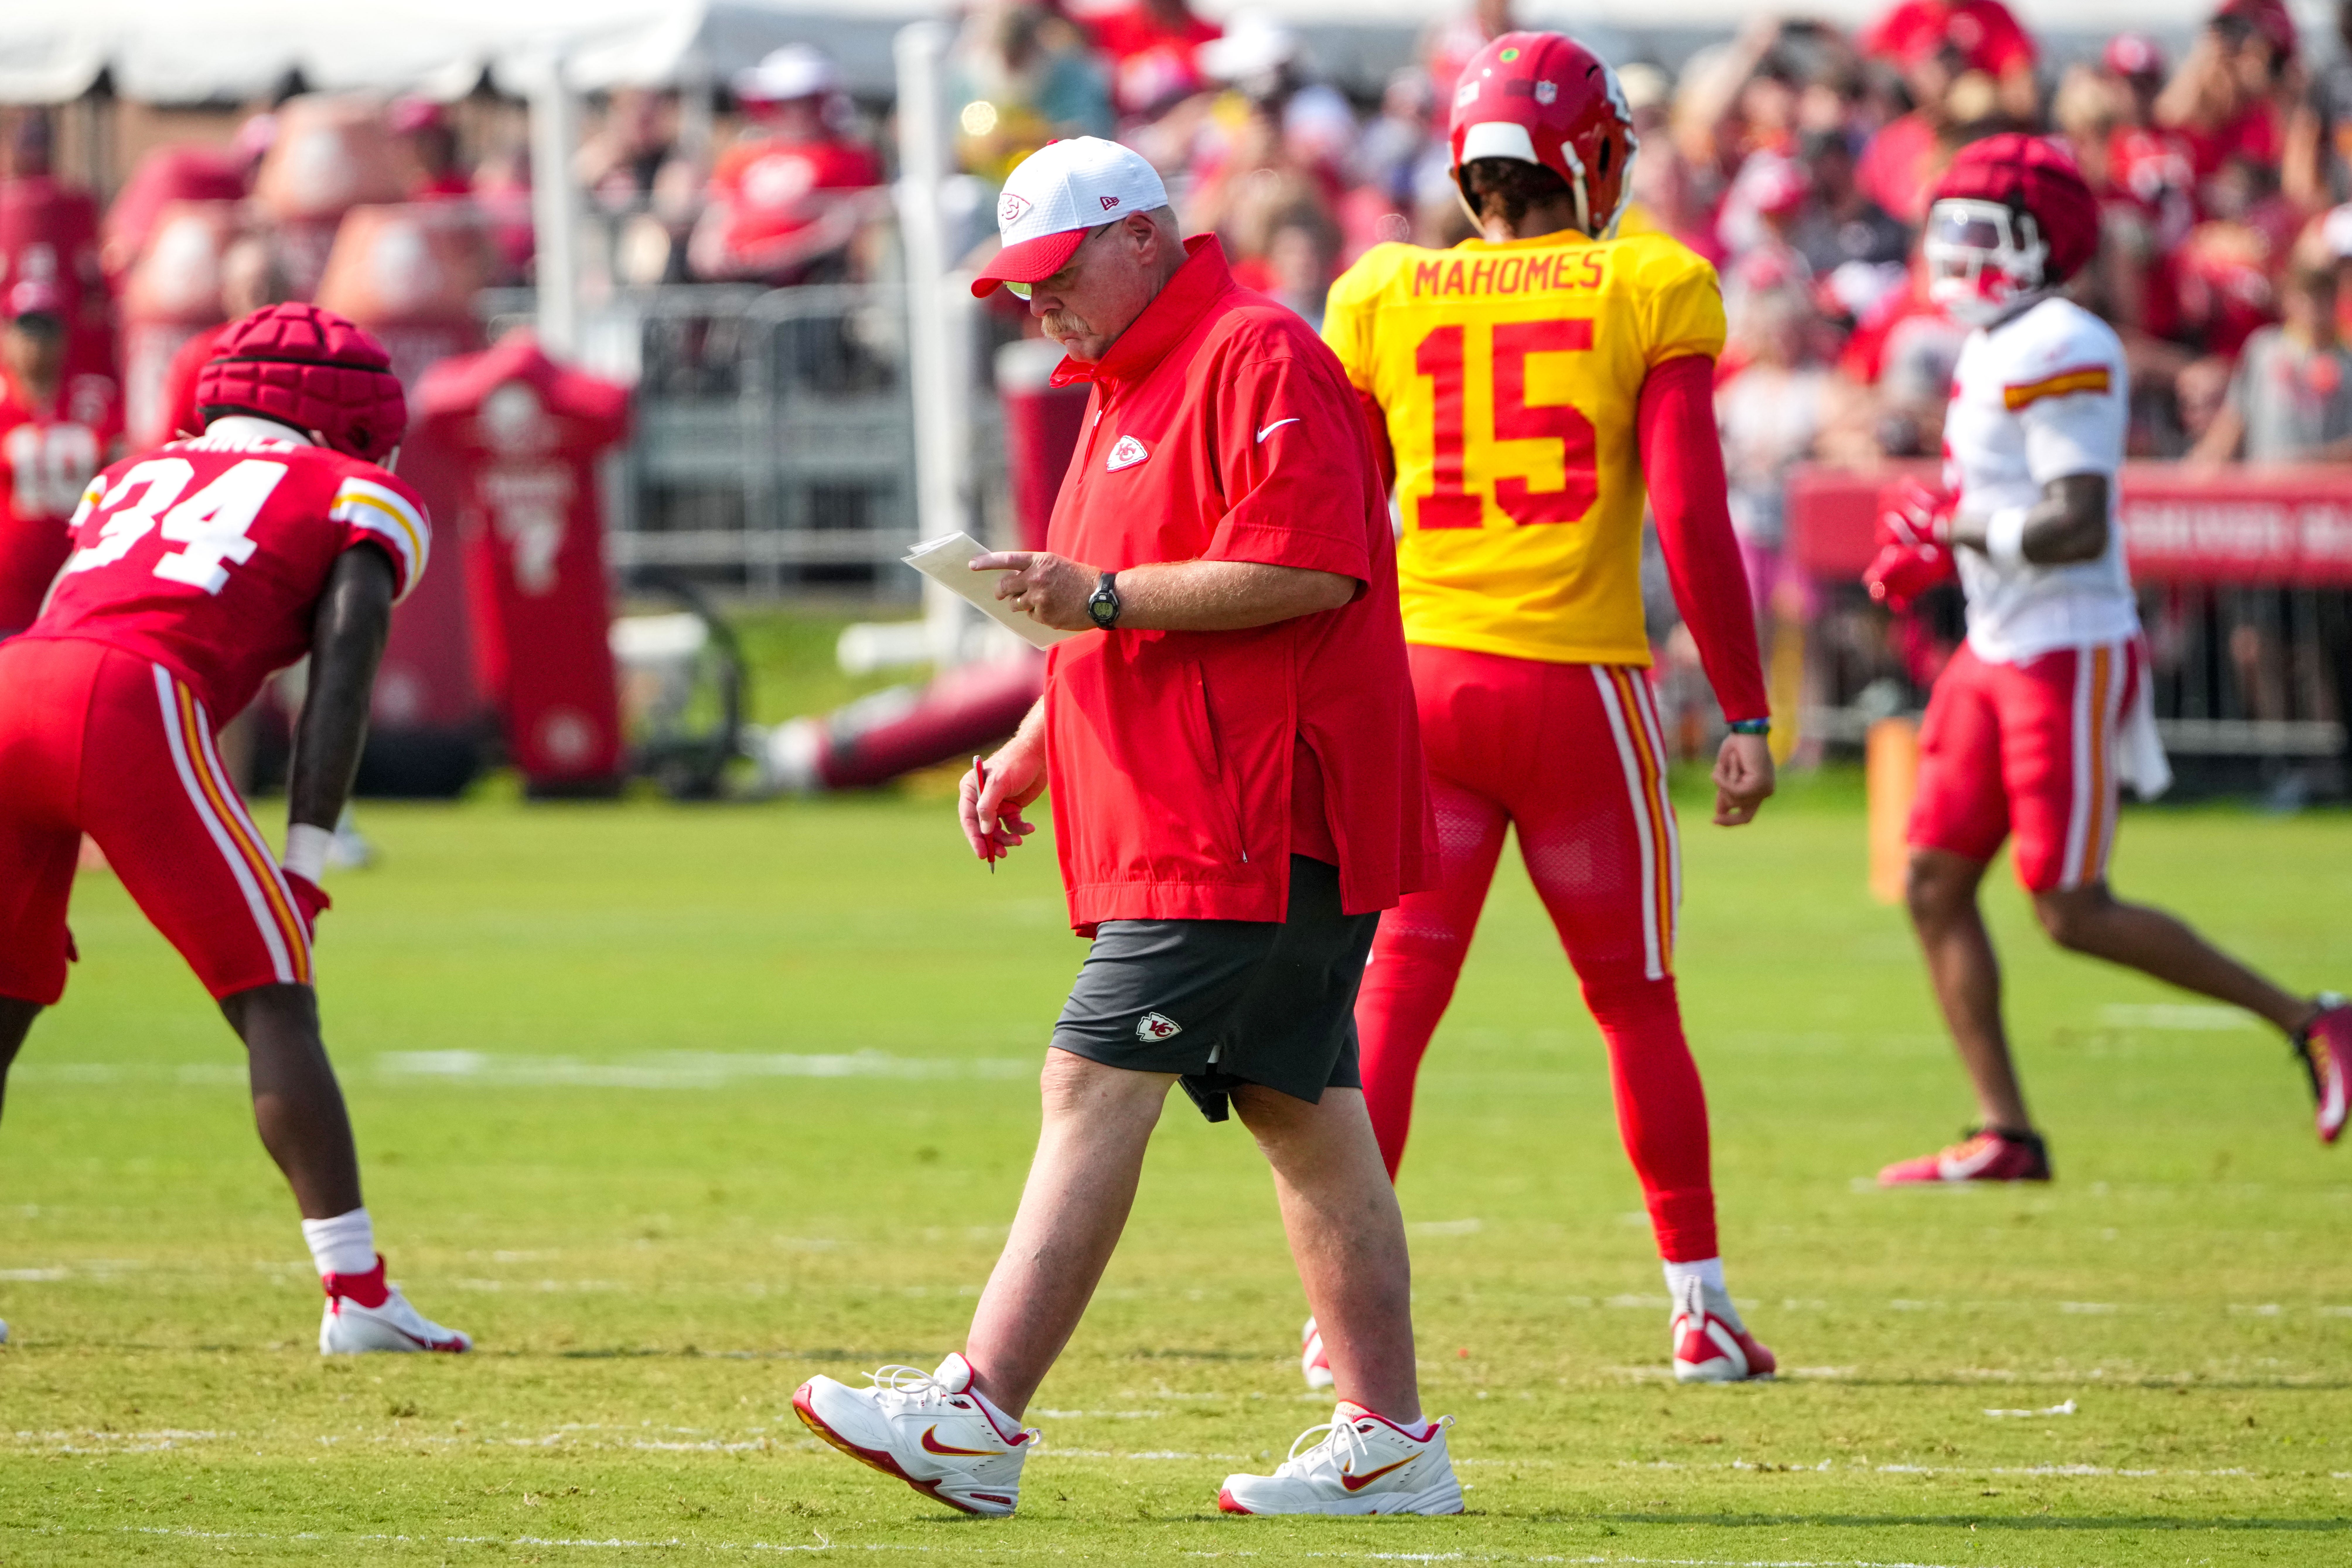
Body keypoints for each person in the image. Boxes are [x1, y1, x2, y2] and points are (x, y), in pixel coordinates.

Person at [791, 137, 1458, 1519]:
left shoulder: (1256, 352)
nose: (1037, 308)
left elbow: (1307, 566)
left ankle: (978, 1410)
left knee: (1091, 1084)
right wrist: (1032, 747)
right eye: (1021, 288)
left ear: (1143, 236)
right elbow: (1097, 611)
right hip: (1197, 807)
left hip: (1248, 807)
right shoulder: (1119, 384)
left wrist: (1100, 598)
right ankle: (1390, 1438)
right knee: (1303, 1112)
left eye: (1055, 275)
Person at [1317, 31, 1779, 1386]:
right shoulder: (1646, 280)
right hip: (1574, 686)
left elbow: (1346, 520)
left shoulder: (1384, 293)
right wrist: (1744, 711)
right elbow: (1690, 512)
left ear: (1471, 174)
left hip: (1421, 681)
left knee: (1392, 1002)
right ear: (1593, 160)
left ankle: (1331, 1316)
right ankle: (1696, 1304)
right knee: (1634, 1003)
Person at [1863, 136, 2352, 1183]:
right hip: (1995, 648)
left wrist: (1954, 533)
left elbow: (2076, 522)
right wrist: (1944, 541)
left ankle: (2311, 1019)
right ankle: (2006, 1132)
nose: (1955, 252)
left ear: (2044, 242)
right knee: (1932, 882)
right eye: (1946, 228)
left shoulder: (2062, 339)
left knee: (2071, 904)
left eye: (1980, 232)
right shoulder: (1994, 339)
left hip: (2062, 648)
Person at [0, 303, 470, 1352]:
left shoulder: (132, 470)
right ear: (350, 415)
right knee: (273, 998)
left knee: (3, 1002)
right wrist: (306, 856)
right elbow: (342, 667)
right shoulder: (356, 490)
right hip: (129, 695)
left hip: (12, 679)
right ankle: (358, 1295)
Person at [687, 47, 884, 285]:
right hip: (733, 279)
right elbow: (718, 211)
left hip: (805, 283)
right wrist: (709, 247)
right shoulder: (741, 156)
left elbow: (847, 224)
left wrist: (775, 257)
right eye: (784, 102)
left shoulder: (851, 157)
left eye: (804, 102)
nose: (794, 112)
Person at [0, 280, 116, 639]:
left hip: (77, 589)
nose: (37, 342)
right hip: (8, 597)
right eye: (27, 330)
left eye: (48, 330)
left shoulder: (94, 402)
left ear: (65, 336)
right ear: (6, 336)